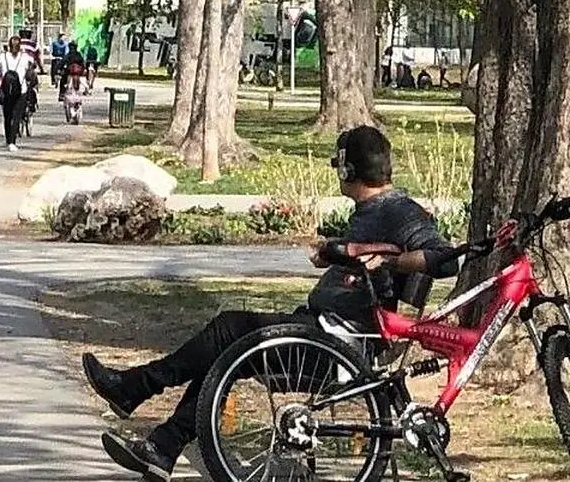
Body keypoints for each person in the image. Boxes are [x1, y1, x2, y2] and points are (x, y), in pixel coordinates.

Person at [81, 125, 458, 480]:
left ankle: (137, 392)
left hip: (337, 347)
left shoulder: (398, 209)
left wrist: (390, 259)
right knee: (226, 348)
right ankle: (160, 445)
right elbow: (360, 258)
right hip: (317, 330)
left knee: (229, 328)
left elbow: (445, 259)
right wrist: (337, 254)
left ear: (347, 167)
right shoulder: (374, 210)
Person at [0, 35, 37, 152]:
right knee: (17, 117)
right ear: (20, 47)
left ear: (8, 45)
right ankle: (12, 142)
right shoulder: (25, 57)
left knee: (7, 116)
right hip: (21, 90)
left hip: (6, 90)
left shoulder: (2, 56)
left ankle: (8, 140)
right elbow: (32, 68)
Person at [18, 28, 41, 113]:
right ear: (30, 35)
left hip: (16, 68)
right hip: (29, 69)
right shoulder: (34, 45)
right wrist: (42, 69)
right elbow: (38, 59)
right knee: (33, 85)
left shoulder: (15, 43)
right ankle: (32, 103)